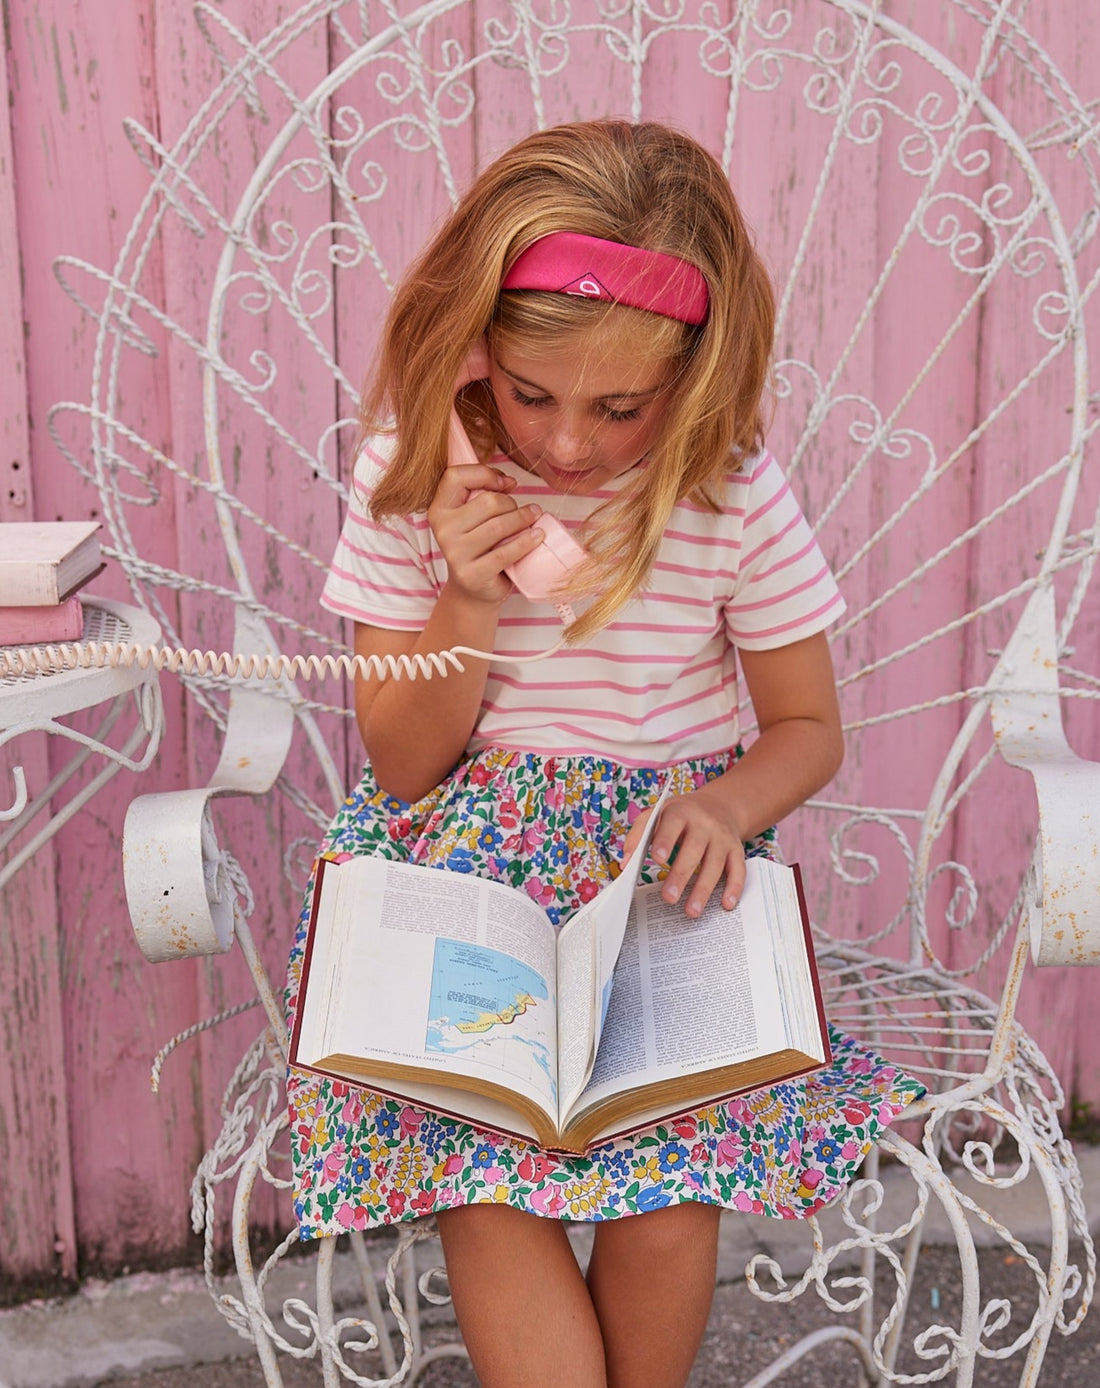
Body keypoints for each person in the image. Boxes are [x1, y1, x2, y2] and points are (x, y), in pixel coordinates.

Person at [285, 119, 924, 1388]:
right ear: (470, 346)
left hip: (661, 879)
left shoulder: (725, 494)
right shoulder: (414, 479)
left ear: (693, 374)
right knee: (486, 1182)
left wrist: (728, 798)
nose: (569, 446)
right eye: (530, 395)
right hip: (465, 871)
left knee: (670, 1190)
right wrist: (466, 596)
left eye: (619, 407)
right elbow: (403, 766)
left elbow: (808, 726)